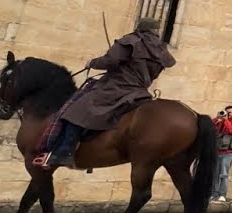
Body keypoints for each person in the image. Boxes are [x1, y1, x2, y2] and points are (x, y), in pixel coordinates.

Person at [33, 17, 177, 170]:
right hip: (140, 91)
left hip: (116, 87)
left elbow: (110, 61)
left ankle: (64, 152)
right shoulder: (161, 50)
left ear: (140, 27)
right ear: (156, 30)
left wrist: (92, 63)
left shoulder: (131, 41)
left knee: (76, 110)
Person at [212, 105, 232, 202]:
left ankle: (222, 194)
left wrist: (226, 121)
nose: (228, 114)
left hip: (229, 152)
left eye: (230, 112)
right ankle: (214, 193)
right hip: (218, 151)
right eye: (226, 112)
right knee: (215, 173)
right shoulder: (221, 121)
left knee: (224, 173)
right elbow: (213, 130)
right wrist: (217, 119)